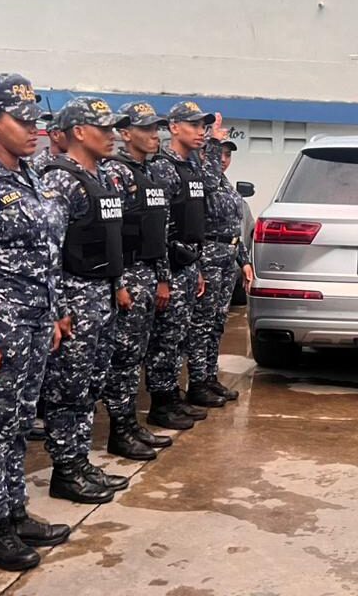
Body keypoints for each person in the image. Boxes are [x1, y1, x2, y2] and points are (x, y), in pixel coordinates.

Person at [0, 73, 73, 571]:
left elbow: (47, 253)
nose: (34, 130)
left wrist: (53, 314)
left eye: (37, 121)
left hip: (33, 320)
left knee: (21, 423)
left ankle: (15, 509)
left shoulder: (29, 175)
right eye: (22, 121)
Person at [38, 96, 132, 505]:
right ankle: (66, 469)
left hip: (101, 296)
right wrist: (58, 311)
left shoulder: (104, 177)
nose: (112, 137)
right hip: (74, 297)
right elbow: (48, 251)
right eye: (104, 129)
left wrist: (117, 284)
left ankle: (79, 461)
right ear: (78, 131)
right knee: (68, 389)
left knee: (90, 384)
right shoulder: (60, 180)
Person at [101, 101, 174, 458]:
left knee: (135, 355)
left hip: (146, 273)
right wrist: (118, 283)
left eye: (156, 128)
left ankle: (130, 424)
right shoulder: (115, 173)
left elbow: (156, 232)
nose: (153, 135)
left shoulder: (149, 173)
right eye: (145, 129)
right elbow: (111, 234)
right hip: (128, 274)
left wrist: (162, 277)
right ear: (125, 134)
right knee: (123, 358)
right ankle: (119, 429)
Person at [143, 101, 210, 426]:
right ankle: (161, 403)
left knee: (179, 336)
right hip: (170, 265)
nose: (201, 132)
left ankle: (172, 395)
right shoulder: (162, 167)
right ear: (174, 127)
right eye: (194, 125)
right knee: (164, 339)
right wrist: (163, 277)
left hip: (187, 264)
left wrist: (195, 267)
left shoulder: (191, 167)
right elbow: (160, 227)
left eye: (203, 126)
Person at [185, 110, 253, 405]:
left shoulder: (225, 184)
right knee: (201, 325)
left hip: (227, 258)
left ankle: (210, 377)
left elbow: (234, 228)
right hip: (209, 258)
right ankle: (197, 382)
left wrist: (245, 261)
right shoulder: (203, 179)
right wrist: (210, 144)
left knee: (216, 323)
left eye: (227, 154)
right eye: (219, 153)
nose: (223, 158)